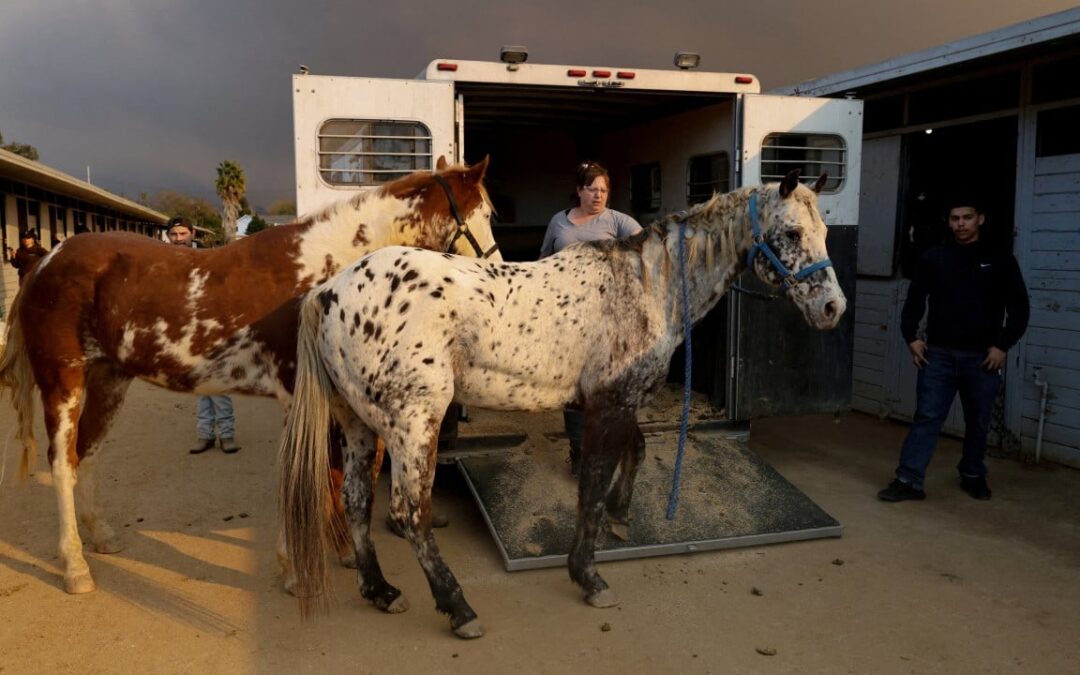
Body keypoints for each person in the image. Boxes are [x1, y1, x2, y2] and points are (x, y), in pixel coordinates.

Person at [878, 197, 1028, 503]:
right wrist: (911, 337)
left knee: (978, 420)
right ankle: (908, 480)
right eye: (955, 218)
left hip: (982, 358)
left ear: (980, 219)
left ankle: (973, 474)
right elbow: (915, 301)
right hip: (939, 356)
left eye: (967, 217)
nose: (960, 224)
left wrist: (1002, 346)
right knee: (928, 416)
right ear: (948, 222)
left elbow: (1020, 309)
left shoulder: (999, 259)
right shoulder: (935, 258)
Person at [539, 160, 642, 475]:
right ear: (579, 191)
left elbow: (648, 248)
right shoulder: (560, 222)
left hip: (606, 318)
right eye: (592, 189)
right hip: (566, 317)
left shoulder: (618, 221)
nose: (598, 195)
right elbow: (543, 259)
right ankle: (578, 451)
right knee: (574, 389)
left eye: (604, 190)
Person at [166, 216, 241, 454]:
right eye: (174, 234)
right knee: (200, 385)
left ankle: (226, 435)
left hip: (212, 329)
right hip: (186, 333)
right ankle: (205, 435)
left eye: (182, 234)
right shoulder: (165, 261)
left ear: (192, 234)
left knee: (216, 383)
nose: (178, 239)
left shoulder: (209, 259)